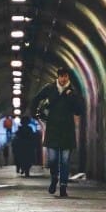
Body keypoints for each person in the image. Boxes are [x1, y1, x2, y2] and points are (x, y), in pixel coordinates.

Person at [29, 66, 84, 198]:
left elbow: (79, 110)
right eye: (61, 76)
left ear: (68, 77)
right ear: (58, 76)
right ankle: (54, 178)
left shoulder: (73, 91)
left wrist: (71, 97)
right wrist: (34, 114)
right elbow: (36, 99)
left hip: (67, 130)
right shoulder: (50, 88)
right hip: (53, 129)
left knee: (65, 161)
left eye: (65, 76)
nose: (63, 79)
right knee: (53, 159)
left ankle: (63, 186)